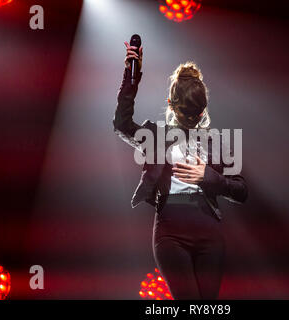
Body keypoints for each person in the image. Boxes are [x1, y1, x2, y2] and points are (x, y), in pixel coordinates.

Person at [113, 41, 248, 299]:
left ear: (201, 113)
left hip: (210, 234)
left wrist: (209, 177)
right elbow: (121, 124)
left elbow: (242, 190)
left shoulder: (217, 141)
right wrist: (132, 76)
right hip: (171, 234)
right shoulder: (157, 134)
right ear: (171, 105)